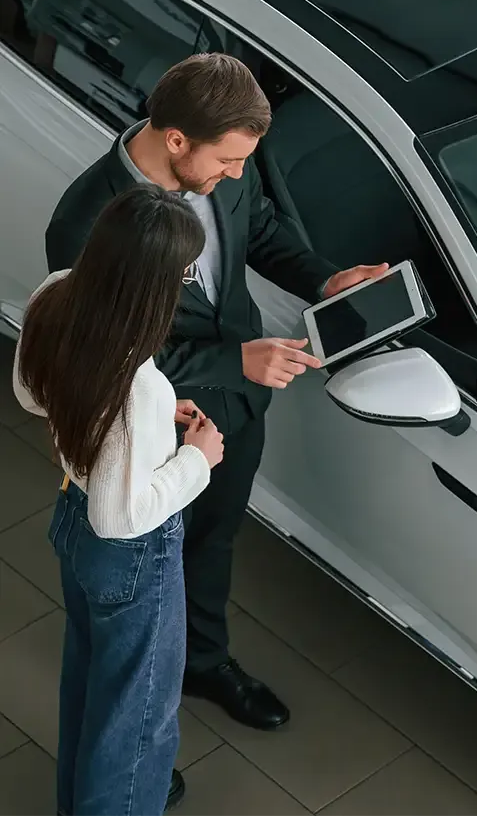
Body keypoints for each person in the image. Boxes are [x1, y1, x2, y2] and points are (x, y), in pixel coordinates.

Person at [45, 54, 388, 744]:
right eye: (228, 161)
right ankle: (134, 732)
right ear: (176, 140)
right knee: (141, 592)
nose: (236, 173)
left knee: (210, 545)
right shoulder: (85, 225)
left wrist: (323, 280)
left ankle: (201, 662)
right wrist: (236, 360)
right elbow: (105, 355)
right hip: (151, 436)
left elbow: (257, 230)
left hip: (233, 416)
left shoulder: (225, 157)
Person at [14, 185, 225, 816]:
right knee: (137, 726)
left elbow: (31, 395)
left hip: (71, 525)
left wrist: (150, 429)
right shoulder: (135, 383)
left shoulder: (55, 293)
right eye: (183, 271)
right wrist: (196, 459)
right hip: (132, 556)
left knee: (89, 688)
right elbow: (121, 515)